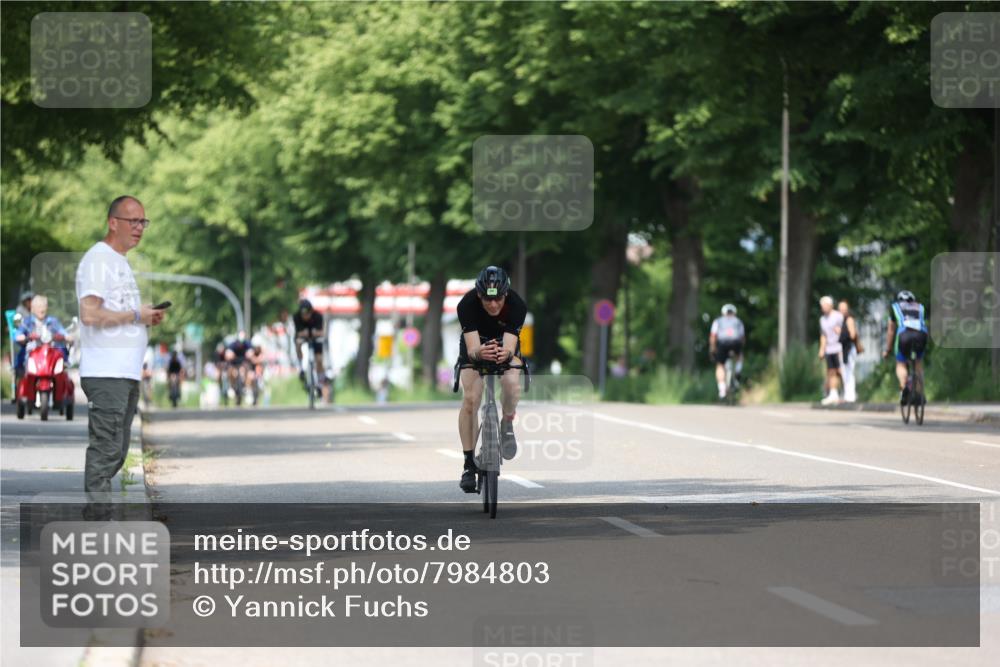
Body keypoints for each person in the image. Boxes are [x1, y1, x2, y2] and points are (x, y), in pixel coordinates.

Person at [76, 195, 164, 518]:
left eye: (143, 221)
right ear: (113, 223)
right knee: (105, 450)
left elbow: (122, 313)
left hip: (124, 372)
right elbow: (90, 314)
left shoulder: (119, 262)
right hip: (106, 372)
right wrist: (133, 315)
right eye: (133, 221)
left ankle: (99, 517)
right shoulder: (99, 260)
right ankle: (97, 522)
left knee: (117, 450)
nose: (140, 228)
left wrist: (144, 317)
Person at [456, 266, 527, 493]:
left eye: (498, 299)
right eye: (487, 299)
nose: (494, 305)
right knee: (471, 399)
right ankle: (469, 465)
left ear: (506, 294)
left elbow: (509, 346)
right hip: (476, 346)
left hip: (504, 344)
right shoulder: (466, 305)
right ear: (479, 295)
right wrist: (479, 353)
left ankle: (506, 421)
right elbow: (472, 348)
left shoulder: (517, 305)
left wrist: (505, 354)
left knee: (511, 383)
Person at [883, 290, 928, 405]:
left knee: (901, 364)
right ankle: (919, 393)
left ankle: (904, 388)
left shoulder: (895, 307)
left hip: (905, 335)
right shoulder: (920, 307)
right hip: (920, 335)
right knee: (918, 363)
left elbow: (891, 331)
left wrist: (887, 349)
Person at [293, 299, 328, 402]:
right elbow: (298, 332)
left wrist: (313, 333)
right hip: (303, 338)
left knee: (319, 359)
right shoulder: (296, 317)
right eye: (303, 314)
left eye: (307, 314)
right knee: (298, 344)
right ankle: (301, 368)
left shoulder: (318, 316)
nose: (305, 316)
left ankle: (320, 381)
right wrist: (305, 333)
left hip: (315, 338)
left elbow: (321, 332)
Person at [709, 303, 745, 400]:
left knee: (720, 365)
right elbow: (742, 338)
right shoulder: (738, 321)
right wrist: (740, 349)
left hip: (723, 344)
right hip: (736, 343)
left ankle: (722, 390)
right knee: (739, 358)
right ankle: (737, 372)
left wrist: (713, 349)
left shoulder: (718, 321)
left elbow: (713, 336)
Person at [818, 296, 844, 405]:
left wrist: (840, 332)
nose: (824, 308)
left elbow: (846, 329)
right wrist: (822, 349)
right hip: (829, 349)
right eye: (822, 306)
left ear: (831, 305)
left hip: (839, 347)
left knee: (840, 371)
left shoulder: (838, 316)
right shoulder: (822, 319)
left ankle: (846, 392)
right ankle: (833, 394)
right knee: (831, 371)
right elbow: (823, 335)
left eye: (825, 305)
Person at [837, 300, 864, 403]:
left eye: (844, 309)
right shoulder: (841, 321)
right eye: (840, 309)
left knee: (849, 371)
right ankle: (847, 395)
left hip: (849, 348)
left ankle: (851, 395)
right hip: (844, 348)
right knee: (845, 372)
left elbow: (852, 334)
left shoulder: (849, 320)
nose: (842, 311)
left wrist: (841, 333)